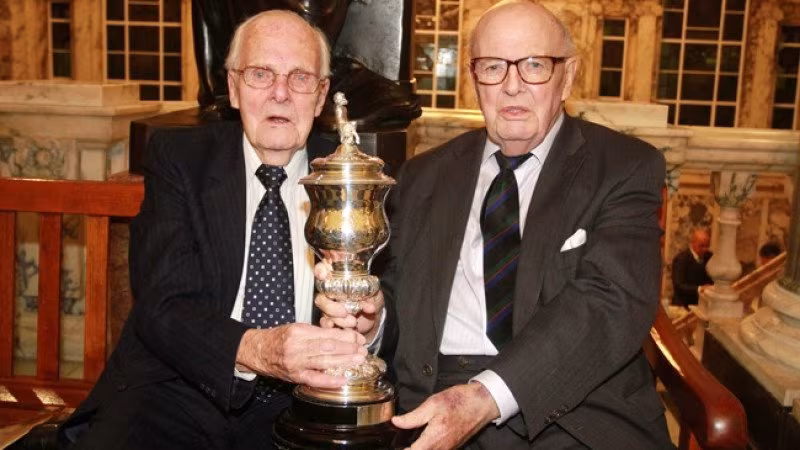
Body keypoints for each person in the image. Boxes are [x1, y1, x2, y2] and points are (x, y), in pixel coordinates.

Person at [58, 10, 384, 449]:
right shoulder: (181, 160)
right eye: (261, 74)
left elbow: (394, 309)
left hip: (306, 403)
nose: (281, 93)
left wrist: (370, 323)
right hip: (179, 385)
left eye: (300, 77)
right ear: (233, 87)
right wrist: (259, 349)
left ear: (321, 95)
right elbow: (163, 305)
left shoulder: (355, 177)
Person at [368, 1, 672, 448]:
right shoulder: (422, 176)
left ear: (567, 76)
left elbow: (611, 301)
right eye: (493, 67)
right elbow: (394, 295)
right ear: (474, 79)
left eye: (534, 65)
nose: (512, 86)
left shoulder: (623, 167)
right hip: (436, 401)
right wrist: (372, 318)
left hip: (573, 412)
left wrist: (487, 396)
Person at [671, 228, 713, 307]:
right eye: (702, 246)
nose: (705, 249)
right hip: (683, 304)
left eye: (707, 246)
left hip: (702, 304)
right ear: (692, 243)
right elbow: (678, 286)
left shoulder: (710, 257)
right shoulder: (681, 259)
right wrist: (699, 289)